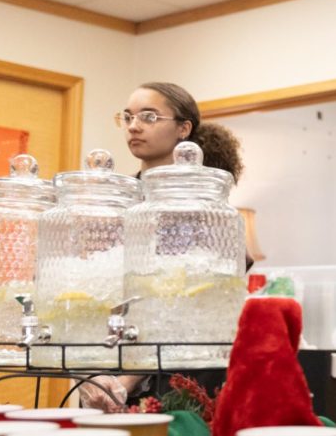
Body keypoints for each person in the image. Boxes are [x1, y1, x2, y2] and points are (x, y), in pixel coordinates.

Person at [80, 82, 246, 412]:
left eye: (149, 116)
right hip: (108, 361)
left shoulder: (196, 202)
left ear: (184, 128)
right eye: (127, 117)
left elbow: (187, 305)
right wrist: (91, 372)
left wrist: (125, 380)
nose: (134, 126)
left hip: (178, 371)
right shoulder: (118, 198)